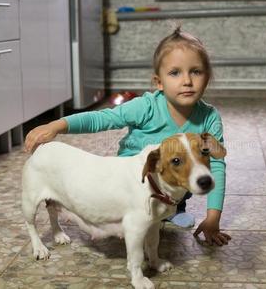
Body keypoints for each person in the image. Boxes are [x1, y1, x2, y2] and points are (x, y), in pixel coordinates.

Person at [24, 26, 231, 246]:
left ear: (207, 77)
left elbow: (217, 164)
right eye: (175, 72)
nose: (187, 80)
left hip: (172, 182)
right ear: (158, 82)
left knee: (189, 168)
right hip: (130, 182)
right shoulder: (145, 106)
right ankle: (127, 213)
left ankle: (173, 207)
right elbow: (101, 119)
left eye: (196, 71)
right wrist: (58, 125)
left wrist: (213, 218)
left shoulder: (209, 117)